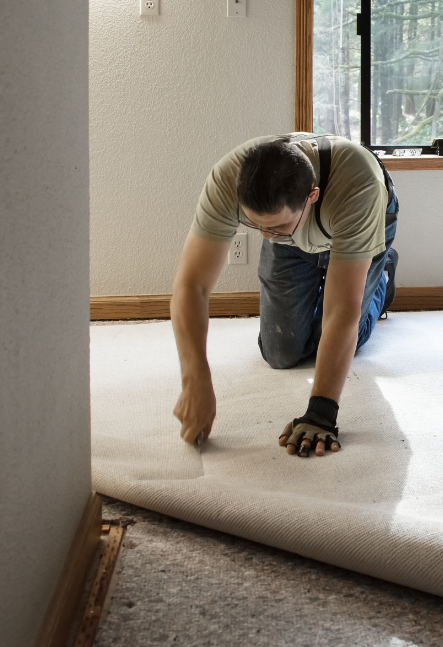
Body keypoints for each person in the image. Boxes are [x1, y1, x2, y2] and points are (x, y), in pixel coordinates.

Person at [169, 133, 399, 457]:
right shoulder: (226, 180)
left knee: (339, 337)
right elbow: (191, 285)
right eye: (255, 225)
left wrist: (321, 412)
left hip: (362, 218)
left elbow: (342, 310)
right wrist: (196, 379)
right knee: (279, 353)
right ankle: (307, 255)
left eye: (273, 227)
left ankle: (381, 279)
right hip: (296, 236)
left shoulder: (358, 187)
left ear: (312, 196)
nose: (264, 235)